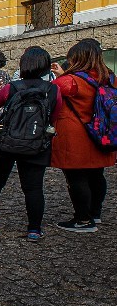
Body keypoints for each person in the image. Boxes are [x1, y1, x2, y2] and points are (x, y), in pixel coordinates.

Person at [0, 46, 60, 242]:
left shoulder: (11, 87)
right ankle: (34, 229)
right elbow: (54, 116)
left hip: (7, 140)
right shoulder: (53, 89)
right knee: (33, 188)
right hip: (36, 142)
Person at [51, 39, 117, 233]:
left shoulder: (71, 81)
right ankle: (95, 213)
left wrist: (62, 76)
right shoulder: (109, 78)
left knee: (76, 177)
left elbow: (51, 92)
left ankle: (83, 220)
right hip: (102, 133)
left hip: (76, 136)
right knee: (97, 175)